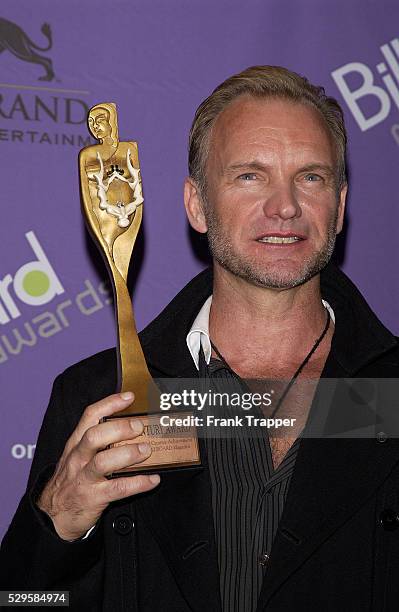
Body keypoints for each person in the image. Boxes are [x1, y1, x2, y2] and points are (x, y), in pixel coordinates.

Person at [1, 66, 399, 612]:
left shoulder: (392, 390)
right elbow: (22, 601)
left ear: (340, 205)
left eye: (311, 177)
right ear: (196, 205)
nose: (285, 205)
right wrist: (58, 524)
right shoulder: (98, 396)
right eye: (249, 176)